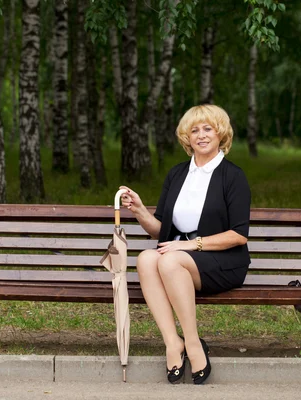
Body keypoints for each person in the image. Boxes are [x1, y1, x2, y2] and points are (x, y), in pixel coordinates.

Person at [120, 104, 251, 385]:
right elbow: (161, 230)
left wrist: (190, 246)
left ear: (220, 134)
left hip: (224, 260)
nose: (201, 135)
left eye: (208, 129)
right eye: (194, 130)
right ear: (186, 137)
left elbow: (239, 235)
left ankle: (192, 342)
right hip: (179, 258)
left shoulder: (233, 176)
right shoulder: (177, 174)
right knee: (146, 258)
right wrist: (140, 210)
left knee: (167, 259)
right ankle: (172, 342)